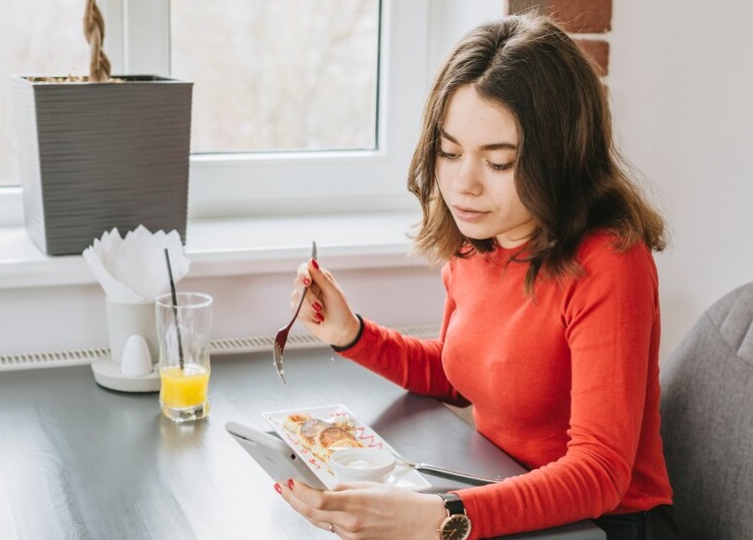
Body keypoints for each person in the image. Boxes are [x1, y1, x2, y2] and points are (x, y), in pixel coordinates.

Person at [275, 12, 681, 540]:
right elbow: (458, 375)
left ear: (559, 158)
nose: (462, 184)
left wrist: (440, 517)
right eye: (449, 152)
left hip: (606, 525)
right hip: (508, 500)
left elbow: (600, 473)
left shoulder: (610, 261)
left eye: (499, 162)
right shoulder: (476, 242)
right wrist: (351, 334)